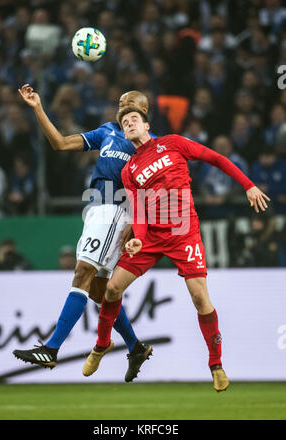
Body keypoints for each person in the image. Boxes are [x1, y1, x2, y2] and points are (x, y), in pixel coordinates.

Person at [83, 107, 270, 392]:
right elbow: (141, 213)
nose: (129, 123)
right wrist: (138, 239)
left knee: (199, 297)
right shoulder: (129, 170)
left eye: (134, 119)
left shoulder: (172, 143)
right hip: (152, 237)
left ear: (147, 125)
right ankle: (101, 345)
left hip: (183, 233)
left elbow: (215, 158)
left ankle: (216, 364)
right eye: (124, 122)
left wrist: (248, 185)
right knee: (111, 289)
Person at [13, 88, 154, 382]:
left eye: (130, 102)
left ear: (145, 112)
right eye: (120, 102)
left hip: (116, 210)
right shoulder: (107, 131)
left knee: (82, 273)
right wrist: (38, 106)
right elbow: (61, 143)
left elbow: (153, 189)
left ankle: (51, 349)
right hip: (97, 209)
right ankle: (135, 346)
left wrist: (137, 222)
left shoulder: (147, 144)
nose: (123, 105)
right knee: (98, 291)